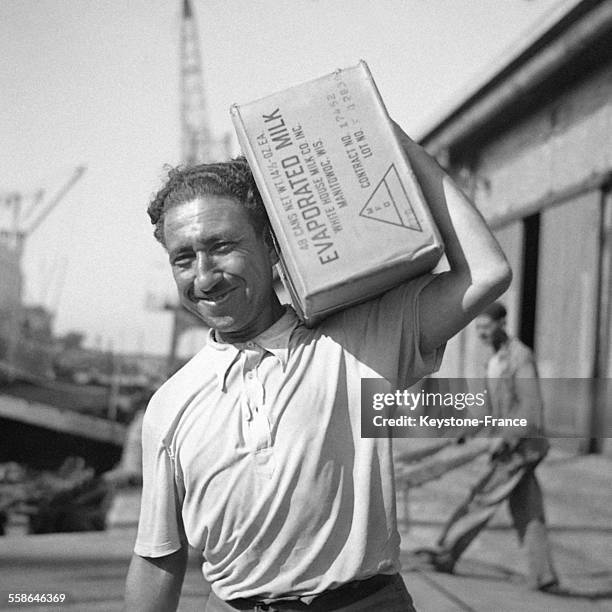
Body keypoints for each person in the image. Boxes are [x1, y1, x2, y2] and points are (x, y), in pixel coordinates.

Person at [123, 121, 511, 611]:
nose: (204, 276)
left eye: (222, 246)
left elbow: (487, 272)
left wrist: (399, 147)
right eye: (184, 258)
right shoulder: (170, 405)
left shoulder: (357, 342)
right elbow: (159, 556)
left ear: (270, 245)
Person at [414, 302, 559, 592]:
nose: (481, 333)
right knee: (528, 510)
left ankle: (446, 552)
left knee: (482, 498)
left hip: (519, 449)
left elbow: (530, 411)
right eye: (477, 327)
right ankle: (544, 576)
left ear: (502, 324)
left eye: (486, 327)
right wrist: (462, 433)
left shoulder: (520, 358)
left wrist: (503, 438)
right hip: (511, 447)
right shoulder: (491, 361)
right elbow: (484, 412)